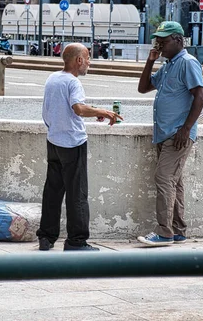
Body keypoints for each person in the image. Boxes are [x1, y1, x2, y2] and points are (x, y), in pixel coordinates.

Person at [37, 42, 122, 251]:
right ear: (79, 60)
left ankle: (46, 237)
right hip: (72, 143)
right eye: (88, 58)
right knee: (78, 194)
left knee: (53, 191)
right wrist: (104, 112)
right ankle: (76, 241)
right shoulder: (73, 83)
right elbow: (78, 108)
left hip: (54, 141)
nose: (90, 63)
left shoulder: (52, 78)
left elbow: (48, 110)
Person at [136, 21, 203, 247]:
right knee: (174, 182)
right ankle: (178, 230)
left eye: (163, 41)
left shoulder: (187, 63)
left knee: (164, 178)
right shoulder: (167, 66)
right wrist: (150, 61)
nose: (160, 45)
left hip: (177, 134)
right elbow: (143, 88)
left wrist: (186, 129)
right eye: (158, 41)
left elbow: (200, 97)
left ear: (178, 40)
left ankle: (164, 233)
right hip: (164, 133)